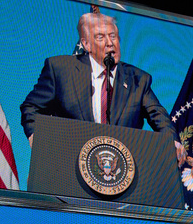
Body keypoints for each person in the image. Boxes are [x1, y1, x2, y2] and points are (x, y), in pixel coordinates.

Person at [20, 11, 184, 161]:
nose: (109, 43)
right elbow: (32, 107)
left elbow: (159, 116)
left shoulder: (138, 80)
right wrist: (36, 136)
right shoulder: (61, 69)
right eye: (100, 37)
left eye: (113, 36)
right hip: (69, 163)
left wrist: (173, 142)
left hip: (121, 170)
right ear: (86, 44)